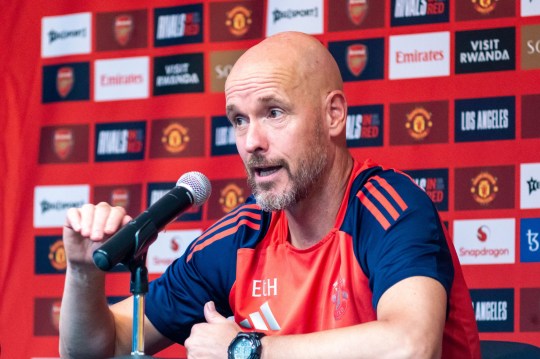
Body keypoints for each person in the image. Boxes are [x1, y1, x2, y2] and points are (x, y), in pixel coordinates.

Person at [59, 31, 480, 358]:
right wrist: (83, 275)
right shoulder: (239, 240)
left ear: (333, 115)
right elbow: (106, 345)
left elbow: (412, 345)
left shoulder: (391, 209)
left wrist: (249, 348)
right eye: (239, 120)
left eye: (273, 113)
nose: (251, 142)